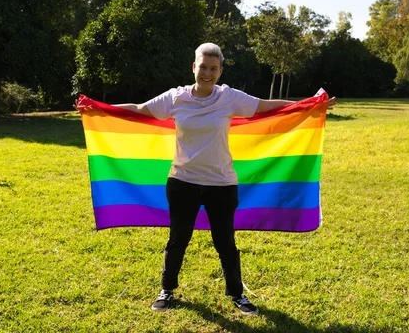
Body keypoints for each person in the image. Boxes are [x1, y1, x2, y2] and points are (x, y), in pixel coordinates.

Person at [93, 43, 336, 315]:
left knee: (225, 243)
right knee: (178, 240)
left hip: (222, 183)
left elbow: (266, 107)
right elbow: (138, 109)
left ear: (220, 71)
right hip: (182, 181)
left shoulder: (229, 98)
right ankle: (167, 290)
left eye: (213, 68)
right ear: (194, 67)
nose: (207, 73)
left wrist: (309, 104)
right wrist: (96, 107)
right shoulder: (175, 98)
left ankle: (237, 295)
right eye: (203, 67)